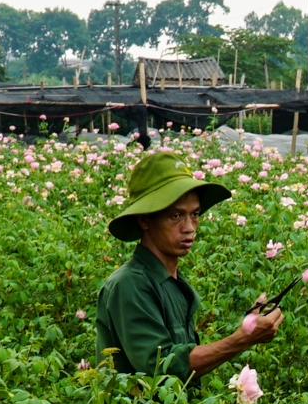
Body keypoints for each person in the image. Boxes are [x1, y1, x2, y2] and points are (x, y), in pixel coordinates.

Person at [94, 149, 282, 380]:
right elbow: (163, 368)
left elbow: (184, 356)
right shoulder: (129, 284)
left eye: (194, 214)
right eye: (176, 216)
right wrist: (242, 338)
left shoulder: (171, 281)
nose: (189, 227)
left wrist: (246, 327)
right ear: (144, 220)